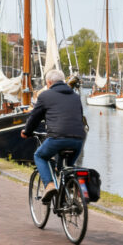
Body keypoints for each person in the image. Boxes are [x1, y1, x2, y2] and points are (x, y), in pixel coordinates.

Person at [21, 69, 86, 204]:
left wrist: (26, 132)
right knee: (66, 167)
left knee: (39, 156)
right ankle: (72, 195)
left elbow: (34, 118)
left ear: (49, 82)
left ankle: (49, 185)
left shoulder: (45, 96)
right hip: (78, 140)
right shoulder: (76, 97)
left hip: (57, 138)